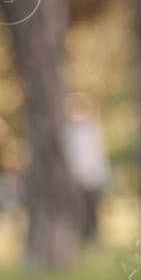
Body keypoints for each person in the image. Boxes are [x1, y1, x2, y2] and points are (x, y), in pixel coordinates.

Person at [62, 92, 110, 242]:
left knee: (91, 205)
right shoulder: (68, 129)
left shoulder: (91, 127)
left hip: (90, 173)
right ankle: (81, 232)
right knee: (78, 205)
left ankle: (92, 233)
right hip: (76, 175)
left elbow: (97, 152)